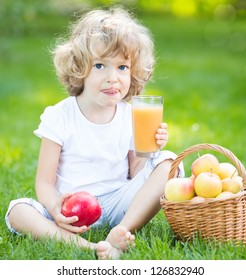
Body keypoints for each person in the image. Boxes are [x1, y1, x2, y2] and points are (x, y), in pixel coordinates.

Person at [5, 7, 184, 259]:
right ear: (80, 68)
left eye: (122, 67)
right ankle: (87, 246)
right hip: (70, 208)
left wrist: (150, 150)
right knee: (18, 210)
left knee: (168, 162)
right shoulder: (60, 116)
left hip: (117, 206)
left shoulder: (132, 115)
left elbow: (136, 174)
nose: (113, 78)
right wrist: (56, 208)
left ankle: (121, 230)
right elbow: (44, 182)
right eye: (100, 65)